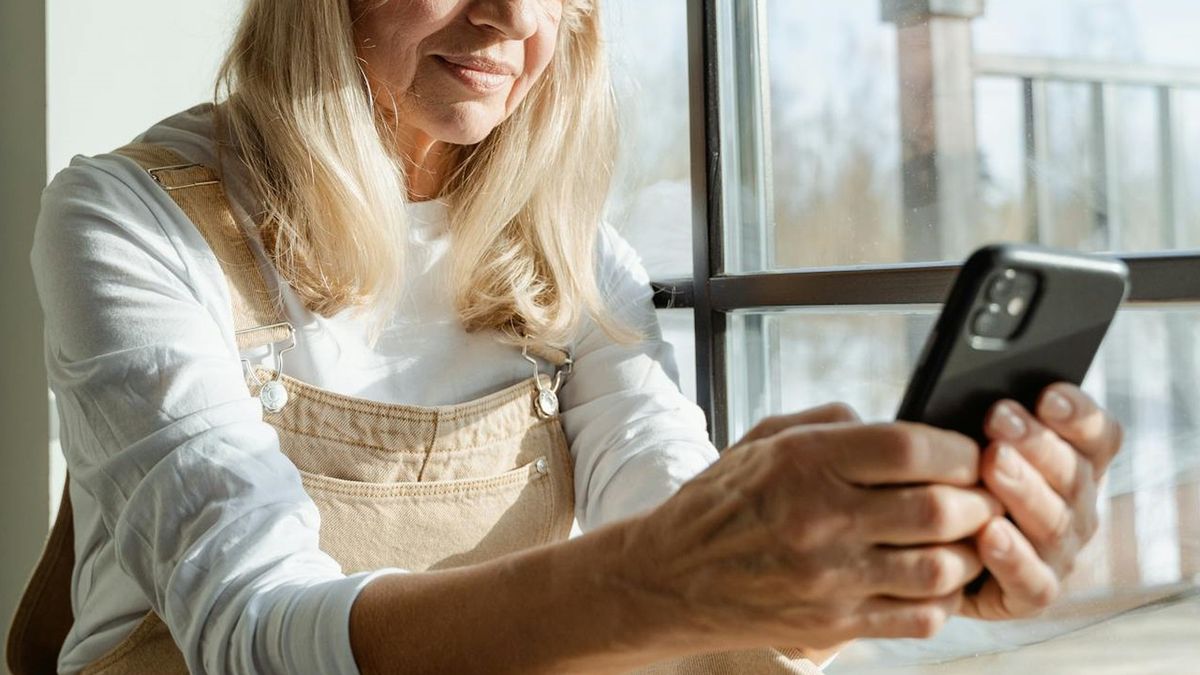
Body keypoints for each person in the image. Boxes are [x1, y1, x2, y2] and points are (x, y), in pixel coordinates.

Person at [11, 1, 1123, 673]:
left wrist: (878, 557)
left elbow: (670, 518)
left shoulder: (578, 255)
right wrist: (679, 569)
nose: (505, 17)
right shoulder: (128, 217)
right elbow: (250, 640)